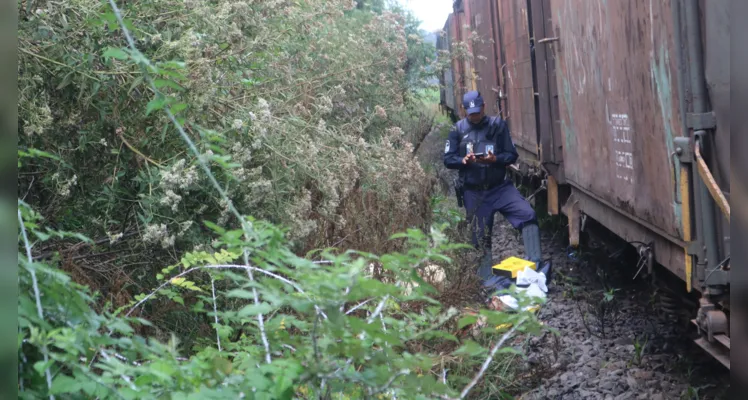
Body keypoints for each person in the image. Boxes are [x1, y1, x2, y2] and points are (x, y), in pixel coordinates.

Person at [443, 90, 543, 293]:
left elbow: (511, 155)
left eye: (478, 112)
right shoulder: (457, 130)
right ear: (464, 111)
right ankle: (485, 279)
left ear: (484, 108)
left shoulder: (498, 126)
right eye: (471, 113)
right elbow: (448, 159)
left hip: (500, 187)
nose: (475, 116)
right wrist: (462, 161)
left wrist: (495, 159)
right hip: (474, 192)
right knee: (480, 235)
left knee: (527, 214)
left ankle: (536, 267)